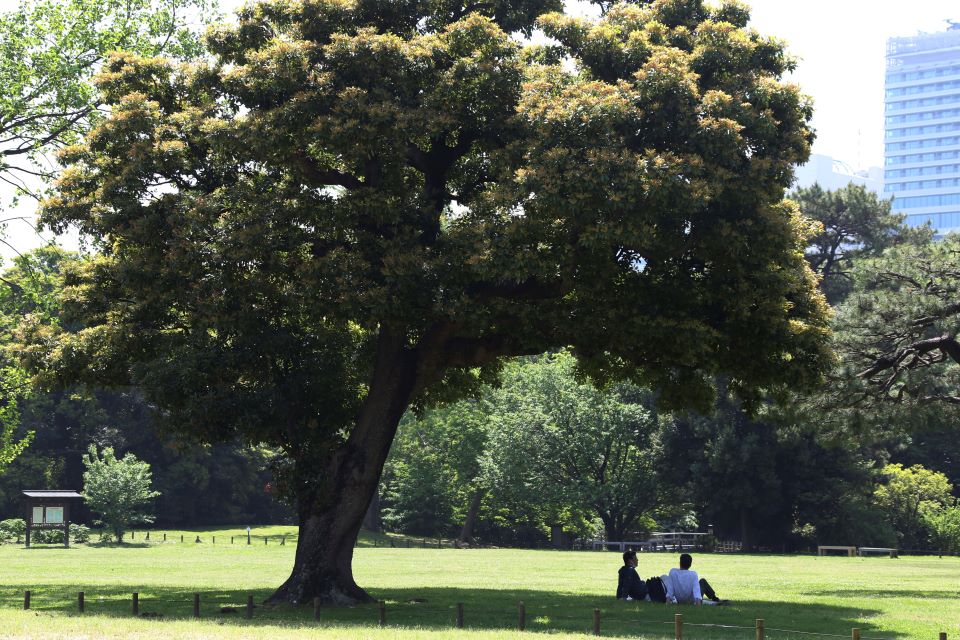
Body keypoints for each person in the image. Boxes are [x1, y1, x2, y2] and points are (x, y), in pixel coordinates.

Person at [663, 553, 727, 605]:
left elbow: (670, 591)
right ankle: (715, 599)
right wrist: (698, 606)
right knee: (702, 581)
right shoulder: (693, 574)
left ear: (680, 563)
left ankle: (715, 599)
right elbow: (697, 593)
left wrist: (667, 603)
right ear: (690, 565)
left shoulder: (673, 572)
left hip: (680, 600)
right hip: (691, 600)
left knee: (701, 582)